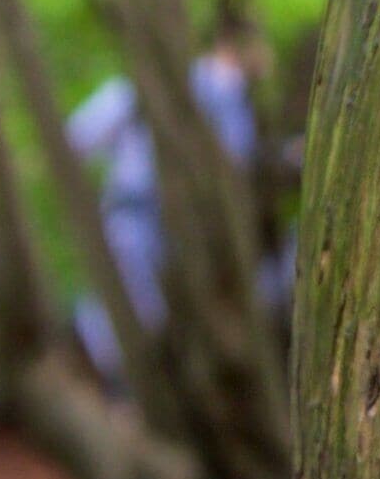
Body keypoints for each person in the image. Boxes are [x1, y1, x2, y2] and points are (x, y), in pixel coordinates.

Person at [62, 29, 277, 385]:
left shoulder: (160, 86)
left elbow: (79, 136)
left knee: (138, 311)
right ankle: (102, 379)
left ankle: (109, 379)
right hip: (137, 213)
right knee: (129, 312)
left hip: (165, 224)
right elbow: (238, 159)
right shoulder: (208, 91)